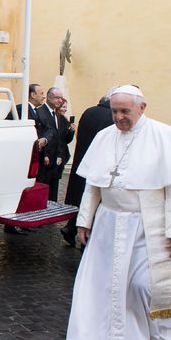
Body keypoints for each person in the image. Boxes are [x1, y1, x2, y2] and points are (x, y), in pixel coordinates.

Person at [65, 86, 171, 340]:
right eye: (115, 111)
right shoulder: (104, 137)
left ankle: (165, 334)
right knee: (105, 287)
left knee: (148, 286)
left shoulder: (167, 137)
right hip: (109, 225)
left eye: (125, 111)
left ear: (142, 108)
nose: (119, 117)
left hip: (150, 226)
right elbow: (93, 186)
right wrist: (84, 221)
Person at [60, 89, 115, 246]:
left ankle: (70, 226)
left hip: (81, 158)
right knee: (92, 198)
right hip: (97, 162)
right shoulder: (110, 117)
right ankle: (83, 235)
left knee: (78, 196)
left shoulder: (89, 111)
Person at [5, 83, 46, 234]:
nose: (43, 96)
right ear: (32, 95)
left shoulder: (33, 110)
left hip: (27, 156)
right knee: (17, 189)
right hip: (19, 157)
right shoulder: (23, 109)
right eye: (41, 92)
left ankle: (21, 222)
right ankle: (12, 224)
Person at [36, 87, 69, 201]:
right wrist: (45, 154)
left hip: (55, 162)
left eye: (61, 98)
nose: (60, 101)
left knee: (53, 195)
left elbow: (59, 137)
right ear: (49, 97)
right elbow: (39, 134)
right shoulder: (40, 112)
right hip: (44, 161)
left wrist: (60, 154)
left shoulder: (57, 115)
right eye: (57, 98)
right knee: (42, 193)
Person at [55, 99, 76, 184]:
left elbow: (66, 140)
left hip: (63, 153)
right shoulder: (56, 119)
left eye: (66, 107)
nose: (65, 109)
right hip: (57, 153)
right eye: (63, 107)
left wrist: (71, 131)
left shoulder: (64, 119)